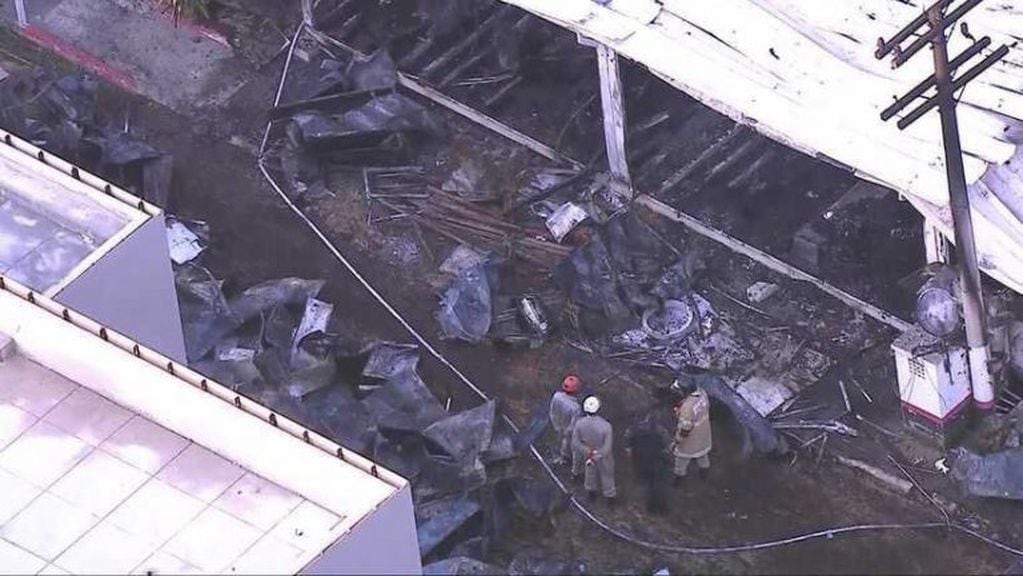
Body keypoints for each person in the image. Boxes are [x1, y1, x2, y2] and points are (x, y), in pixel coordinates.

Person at [572, 395, 616, 503]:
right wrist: (598, 455)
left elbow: (576, 442)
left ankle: (591, 494)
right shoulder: (606, 426)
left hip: (588, 455)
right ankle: (610, 497)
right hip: (603, 456)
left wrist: (588, 452)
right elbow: (607, 447)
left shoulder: (579, 424)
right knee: (607, 475)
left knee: (590, 474)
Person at [624, 413, 672, 513]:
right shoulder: (661, 431)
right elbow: (668, 447)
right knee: (658, 485)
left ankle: (649, 508)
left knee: (645, 484)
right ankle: (661, 508)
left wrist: (631, 456)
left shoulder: (634, 429)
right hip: (656, 461)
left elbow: (627, 444)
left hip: (640, 460)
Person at [672, 387, 712, 485]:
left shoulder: (687, 408)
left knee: (680, 461)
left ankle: (679, 479)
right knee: (703, 455)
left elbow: (685, 429)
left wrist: (677, 441)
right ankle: (704, 474)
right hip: (704, 434)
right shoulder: (702, 393)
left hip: (690, 441)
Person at [549, 375, 583, 464]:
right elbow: (574, 426)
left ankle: (556, 455)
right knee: (566, 446)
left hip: (556, 425)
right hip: (566, 431)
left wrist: (555, 424)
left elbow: (552, 411)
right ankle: (564, 459)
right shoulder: (576, 408)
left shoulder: (556, 396)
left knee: (556, 441)